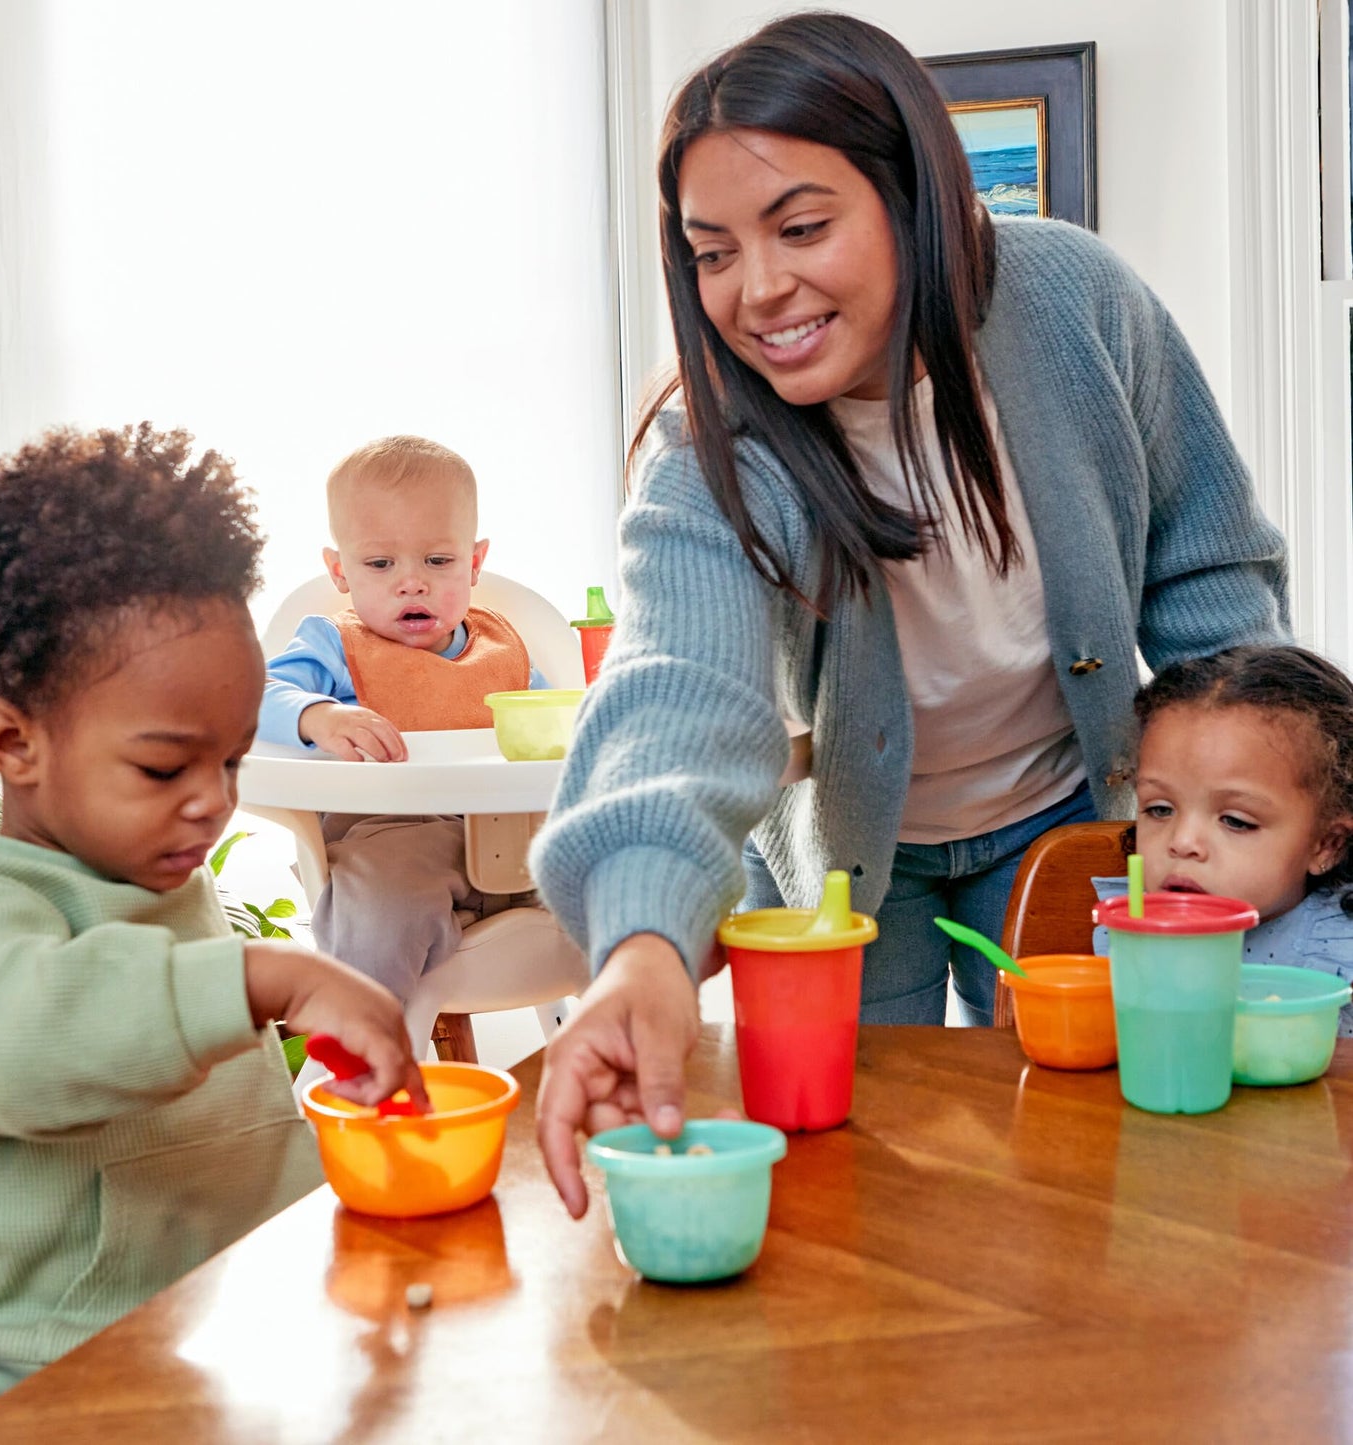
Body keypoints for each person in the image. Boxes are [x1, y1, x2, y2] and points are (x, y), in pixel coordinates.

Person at [528, 10, 1290, 1217]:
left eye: (801, 227)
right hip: (844, 869)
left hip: (1057, 816)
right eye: (710, 250)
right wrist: (644, 947)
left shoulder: (1077, 300)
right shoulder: (707, 445)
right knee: (858, 1165)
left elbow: (1204, 581)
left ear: (913, 195)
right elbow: (680, 692)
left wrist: (1261, 814)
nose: (756, 289)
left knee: (1078, 1159)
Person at [0, 423, 427, 1407]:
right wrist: (263, 976)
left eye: (230, 760)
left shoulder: (171, 885)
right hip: (37, 1366)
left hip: (217, 1337)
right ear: (13, 741)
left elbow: (217, 1141)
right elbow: (21, 1044)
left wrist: (337, 1142)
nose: (212, 800)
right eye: (163, 766)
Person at [259, 436, 547, 1004]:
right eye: (380, 563)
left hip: (513, 840)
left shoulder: (506, 649)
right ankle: (364, 1029)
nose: (411, 581)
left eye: (438, 561)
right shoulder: (332, 643)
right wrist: (317, 715)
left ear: (475, 562)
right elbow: (251, 694)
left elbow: (554, 737)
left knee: (624, 865)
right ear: (340, 571)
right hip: (389, 836)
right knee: (384, 898)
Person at [1088, 646, 1353, 1036]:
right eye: (1160, 809)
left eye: (1235, 820)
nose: (1182, 842)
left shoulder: (1340, 949)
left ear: (1326, 844)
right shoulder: (1127, 934)